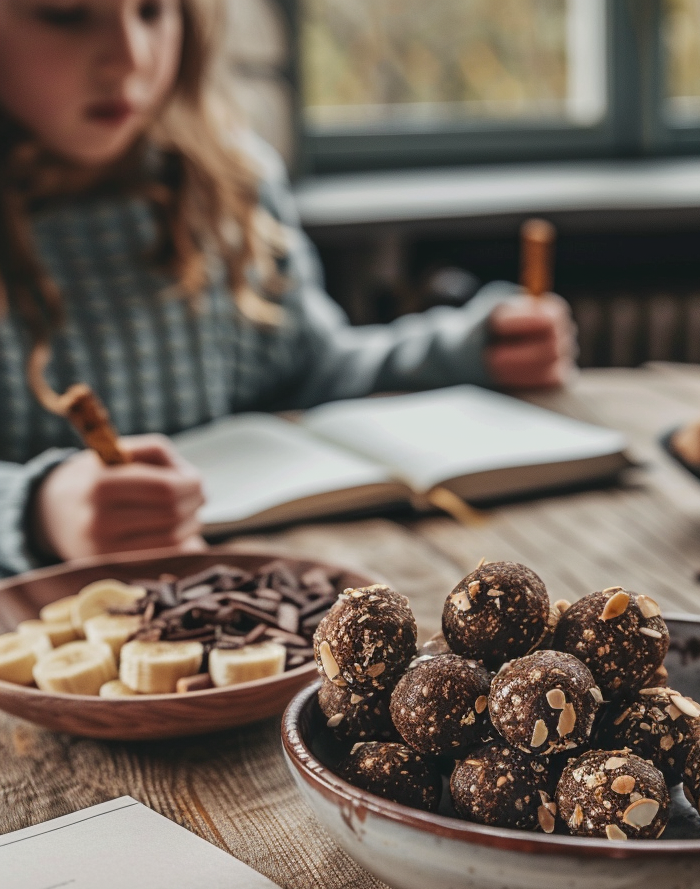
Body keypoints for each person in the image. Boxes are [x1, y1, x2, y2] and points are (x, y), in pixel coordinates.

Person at [0, 0, 577, 577]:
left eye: (152, 11)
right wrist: (37, 511)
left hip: (239, 591)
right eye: (66, 14)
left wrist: (467, 352)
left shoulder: (229, 182)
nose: (130, 58)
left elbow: (311, 372)